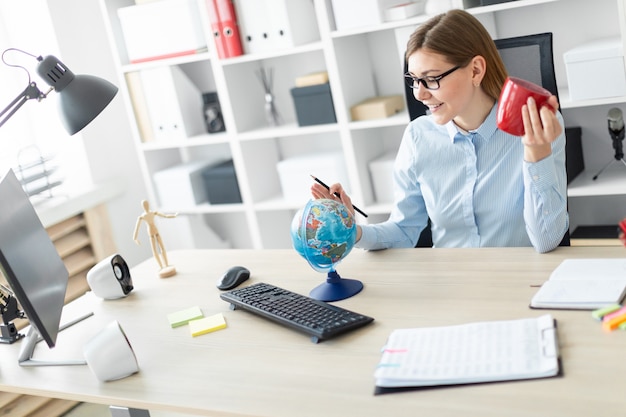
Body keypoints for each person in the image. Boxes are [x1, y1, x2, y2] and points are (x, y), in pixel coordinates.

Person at [311, 9, 569, 253]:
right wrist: (352, 232)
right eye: (413, 79)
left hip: (515, 283)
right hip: (448, 283)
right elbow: (404, 229)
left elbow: (546, 241)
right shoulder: (418, 137)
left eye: (432, 78)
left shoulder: (535, 127)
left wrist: (537, 154)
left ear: (476, 70)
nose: (420, 94)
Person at [133, 199, 178, 277]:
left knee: (162, 247)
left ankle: (166, 264)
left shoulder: (153, 213)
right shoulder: (143, 216)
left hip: (155, 230)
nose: (146, 206)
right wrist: (135, 238)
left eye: (147, 205)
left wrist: (174, 215)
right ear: (143, 206)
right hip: (151, 232)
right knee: (155, 250)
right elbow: (137, 228)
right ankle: (161, 266)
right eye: (145, 205)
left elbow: (165, 216)